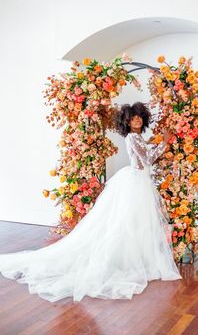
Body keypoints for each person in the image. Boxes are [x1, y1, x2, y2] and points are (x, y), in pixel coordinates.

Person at [0, 102, 182, 302]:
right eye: (132, 117)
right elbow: (147, 159)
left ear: (143, 119)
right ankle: (126, 261)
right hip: (136, 183)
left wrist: (159, 144)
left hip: (141, 182)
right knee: (127, 224)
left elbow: (146, 157)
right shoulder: (132, 137)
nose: (136, 120)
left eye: (139, 116)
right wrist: (164, 143)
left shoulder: (138, 136)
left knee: (136, 224)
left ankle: (136, 258)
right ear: (127, 122)